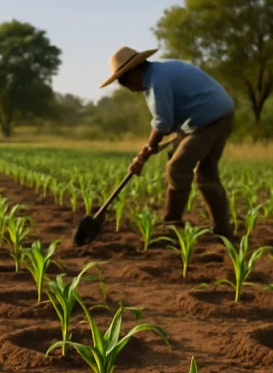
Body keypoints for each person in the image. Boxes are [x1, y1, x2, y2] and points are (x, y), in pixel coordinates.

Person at [101, 46, 236, 239]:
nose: (127, 87)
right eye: (120, 82)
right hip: (218, 115)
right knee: (205, 174)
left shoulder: (156, 81)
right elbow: (170, 120)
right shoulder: (160, 72)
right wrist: (148, 149)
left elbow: (162, 122)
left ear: (136, 69)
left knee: (178, 168)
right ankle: (223, 231)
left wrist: (148, 148)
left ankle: (171, 225)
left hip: (209, 120)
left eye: (124, 79)